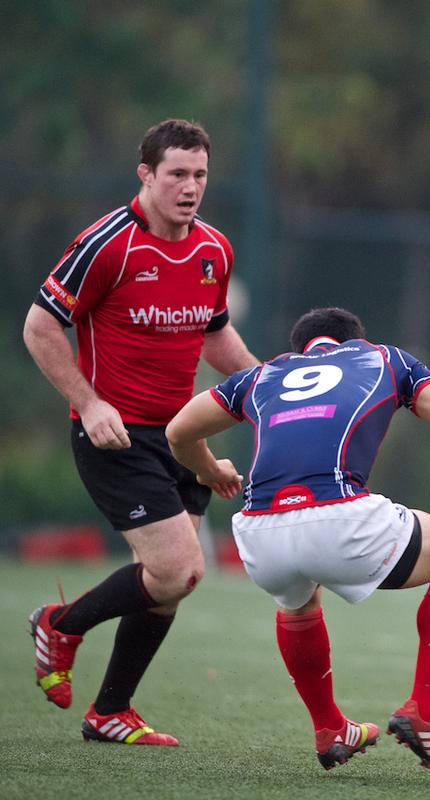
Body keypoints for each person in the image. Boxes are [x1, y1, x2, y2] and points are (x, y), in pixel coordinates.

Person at [166, 307, 430, 777]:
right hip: (340, 518)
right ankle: (424, 712)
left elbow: (178, 432)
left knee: (298, 600)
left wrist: (209, 471)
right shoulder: (385, 358)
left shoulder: (261, 375)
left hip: (259, 533)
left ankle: (330, 728)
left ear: (300, 348)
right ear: (354, 340)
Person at [24, 119, 258, 746]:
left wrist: (267, 387)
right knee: (178, 570)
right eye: (177, 174)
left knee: (163, 589)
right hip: (116, 436)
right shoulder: (108, 244)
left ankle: (110, 711)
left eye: (200, 175)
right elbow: (40, 327)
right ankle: (61, 624)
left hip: (181, 435)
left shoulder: (214, 248)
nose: (190, 187)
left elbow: (214, 334)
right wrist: (88, 403)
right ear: (146, 175)